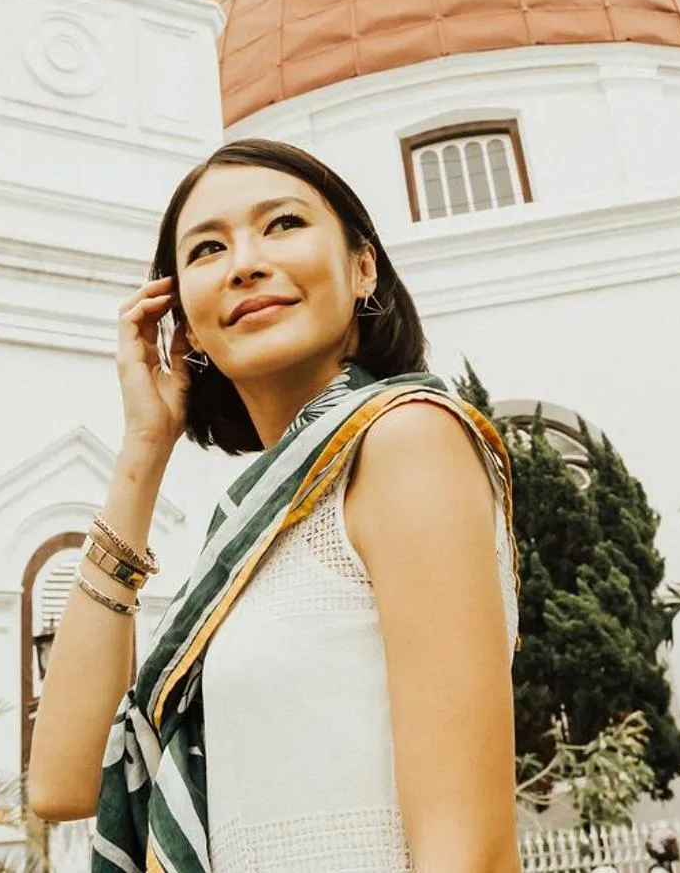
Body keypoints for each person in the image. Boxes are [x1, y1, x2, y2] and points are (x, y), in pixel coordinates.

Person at [26, 138, 521, 872]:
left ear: (363, 267)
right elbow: (62, 779)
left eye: (283, 223)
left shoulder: (405, 440)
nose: (245, 261)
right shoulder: (252, 532)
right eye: (207, 249)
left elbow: (467, 850)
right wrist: (143, 445)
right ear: (184, 325)